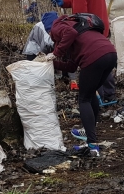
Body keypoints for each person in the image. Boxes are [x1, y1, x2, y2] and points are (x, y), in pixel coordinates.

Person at [50, 15, 117, 158]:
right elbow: (72, 67)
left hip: (94, 57)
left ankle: (92, 145)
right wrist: (51, 64)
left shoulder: (57, 26)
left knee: (84, 99)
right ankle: (90, 133)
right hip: (110, 53)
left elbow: (70, 33)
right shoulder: (79, 28)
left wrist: (55, 54)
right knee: (90, 93)